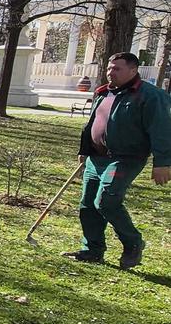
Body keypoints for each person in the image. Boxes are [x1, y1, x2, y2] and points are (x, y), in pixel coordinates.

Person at [65, 52, 170, 269]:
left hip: (125, 158)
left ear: (133, 70)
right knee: (88, 205)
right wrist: (85, 149)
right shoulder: (104, 92)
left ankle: (133, 243)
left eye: (117, 69)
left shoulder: (150, 95)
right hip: (96, 158)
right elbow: (94, 122)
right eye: (110, 68)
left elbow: (162, 129)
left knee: (106, 201)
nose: (111, 73)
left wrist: (163, 162)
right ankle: (93, 250)